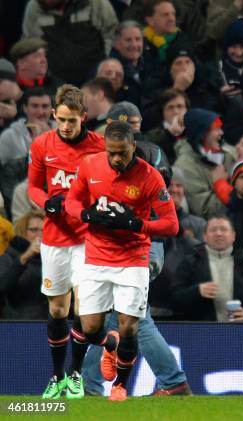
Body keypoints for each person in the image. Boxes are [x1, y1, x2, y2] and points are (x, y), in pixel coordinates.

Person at [64, 121, 179, 401]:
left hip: (133, 258)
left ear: (133, 147)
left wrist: (138, 224)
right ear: (105, 147)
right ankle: (108, 344)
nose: (116, 159)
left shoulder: (150, 176)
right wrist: (87, 215)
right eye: (112, 152)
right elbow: (71, 202)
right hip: (96, 255)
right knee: (89, 328)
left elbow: (172, 225)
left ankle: (120, 386)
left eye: (122, 153)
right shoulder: (90, 165)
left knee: (130, 326)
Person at [28, 84, 106, 399]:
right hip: (54, 239)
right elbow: (33, 186)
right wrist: (45, 201)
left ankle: (76, 374)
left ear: (83, 117)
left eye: (72, 120)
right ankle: (58, 376)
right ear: (54, 115)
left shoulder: (99, 146)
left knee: (85, 311)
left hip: (88, 238)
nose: (66, 126)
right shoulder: (41, 144)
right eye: (61, 119)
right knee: (58, 309)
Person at [171, 213, 243, 321]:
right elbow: (174, 299)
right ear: (204, 236)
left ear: (233, 236)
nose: (219, 233)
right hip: (200, 332)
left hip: (240, 331)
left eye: (224, 229)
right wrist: (197, 291)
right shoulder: (190, 262)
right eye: (213, 230)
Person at [0, 87, 53, 218]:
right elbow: (5, 174)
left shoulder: (64, 132)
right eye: (35, 106)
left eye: (45, 106)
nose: (40, 111)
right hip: (17, 195)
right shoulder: (9, 136)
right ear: (25, 108)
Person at [0, 210, 46, 320]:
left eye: (44, 230)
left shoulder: (54, 258)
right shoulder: (9, 256)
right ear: (22, 231)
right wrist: (26, 256)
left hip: (52, 324)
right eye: (34, 230)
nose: (39, 234)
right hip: (19, 323)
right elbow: (2, 287)